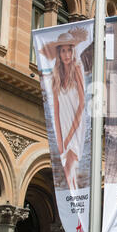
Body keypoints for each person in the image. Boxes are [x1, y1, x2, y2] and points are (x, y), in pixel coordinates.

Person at [40, 28, 88, 190]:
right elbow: (56, 109)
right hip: (63, 122)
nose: (67, 54)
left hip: (77, 124)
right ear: (59, 54)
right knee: (68, 171)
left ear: (73, 52)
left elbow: (82, 104)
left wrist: (68, 138)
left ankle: (79, 212)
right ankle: (78, 213)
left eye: (69, 50)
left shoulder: (78, 69)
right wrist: (60, 141)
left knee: (68, 168)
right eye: (63, 51)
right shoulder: (56, 76)